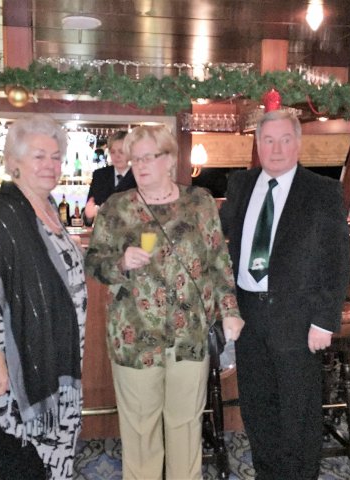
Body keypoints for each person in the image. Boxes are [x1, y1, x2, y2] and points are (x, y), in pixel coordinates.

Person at [85, 125, 244, 480]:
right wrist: (120, 263)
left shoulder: (200, 202)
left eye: (149, 157)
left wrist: (230, 311)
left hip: (189, 335)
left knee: (185, 425)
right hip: (134, 337)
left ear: (170, 159)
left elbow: (218, 260)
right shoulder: (116, 207)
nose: (140, 165)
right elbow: (93, 263)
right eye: (135, 158)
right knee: (140, 431)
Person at [0, 114, 86, 480]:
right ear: (14, 162)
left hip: (53, 356)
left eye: (56, 157)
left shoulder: (47, 208)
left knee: (47, 452)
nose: (51, 165)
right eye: (39, 156)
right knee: (8, 452)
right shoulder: (4, 213)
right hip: (13, 361)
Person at [219, 110, 350, 480]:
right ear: (258, 144)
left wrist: (324, 320)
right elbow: (214, 234)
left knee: (299, 414)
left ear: (298, 144)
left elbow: (337, 259)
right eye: (268, 140)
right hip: (248, 315)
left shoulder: (322, 191)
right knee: (257, 408)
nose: (276, 149)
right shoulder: (241, 184)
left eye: (285, 140)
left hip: (299, 319)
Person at [82, 130, 136, 225]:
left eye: (121, 152)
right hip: (103, 231)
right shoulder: (99, 175)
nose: (117, 156)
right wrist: (88, 216)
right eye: (113, 152)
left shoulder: (138, 177)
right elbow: (88, 214)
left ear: (130, 152)